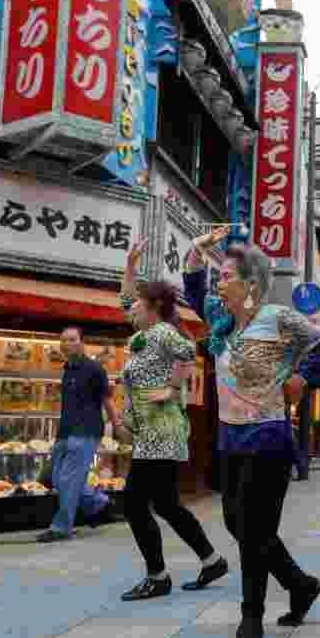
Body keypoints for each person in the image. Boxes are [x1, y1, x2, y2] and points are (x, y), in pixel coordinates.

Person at [183, 227, 320, 638]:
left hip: (268, 437)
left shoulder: (278, 318)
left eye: (228, 276)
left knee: (252, 530)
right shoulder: (221, 323)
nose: (221, 282)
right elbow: (193, 286)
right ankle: (300, 584)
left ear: (251, 284)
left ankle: (251, 615)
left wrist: (302, 378)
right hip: (229, 438)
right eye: (221, 277)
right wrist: (199, 251)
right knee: (241, 524)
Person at [117, 239, 227, 604]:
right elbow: (125, 300)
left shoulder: (162, 332)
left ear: (153, 309)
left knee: (135, 502)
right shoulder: (144, 334)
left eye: (137, 303)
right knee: (166, 504)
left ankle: (157, 575)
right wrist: (131, 268)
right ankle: (211, 560)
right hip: (154, 430)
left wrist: (171, 386)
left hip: (160, 431)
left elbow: (188, 350)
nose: (130, 306)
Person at [36, 327, 117, 542]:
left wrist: (117, 424)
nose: (66, 344)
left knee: (69, 480)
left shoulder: (94, 368)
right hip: (65, 431)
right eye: (63, 341)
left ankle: (61, 527)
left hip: (86, 431)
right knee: (54, 477)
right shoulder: (68, 369)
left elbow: (107, 399)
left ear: (82, 342)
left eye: (72, 340)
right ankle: (98, 503)